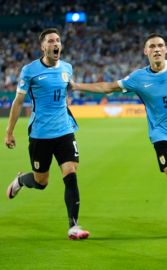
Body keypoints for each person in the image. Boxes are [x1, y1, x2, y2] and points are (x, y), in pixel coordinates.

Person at [70, 33, 167, 239]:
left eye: (160, 45)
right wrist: (78, 86)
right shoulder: (138, 78)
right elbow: (109, 87)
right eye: (152, 46)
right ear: (146, 51)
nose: (157, 49)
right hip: (162, 137)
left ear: (166, 49)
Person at [4, 28, 90, 240]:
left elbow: (63, 92)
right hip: (40, 134)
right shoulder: (30, 70)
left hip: (65, 131)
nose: (55, 44)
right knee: (41, 182)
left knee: (70, 174)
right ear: (43, 47)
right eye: (51, 41)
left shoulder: (67, 68)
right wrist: (9, 131)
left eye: (58, 40)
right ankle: (22, 181)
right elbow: (18, 102)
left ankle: (74, 226)